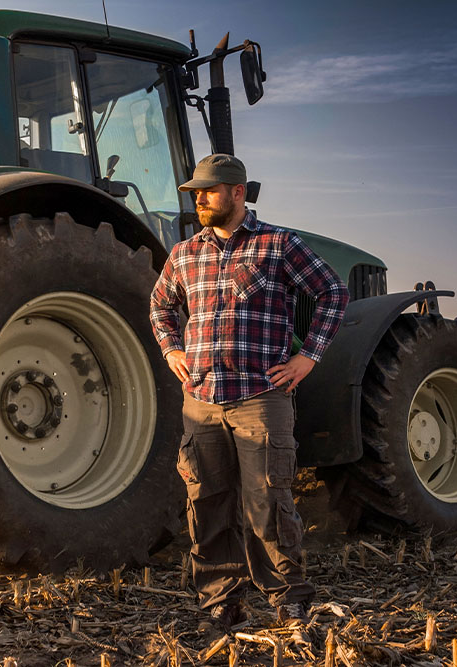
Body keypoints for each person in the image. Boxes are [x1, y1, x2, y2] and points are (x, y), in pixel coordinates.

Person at [149, 154, 349, 630]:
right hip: (201, 400)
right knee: (209, 501)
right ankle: (221, 600)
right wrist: (171, 350)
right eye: (195, 192)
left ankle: (287, 597)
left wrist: (308, 356)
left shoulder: (277, 244)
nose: (199, 198)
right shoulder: (183, 254)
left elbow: (333, 293)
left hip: (260, 396)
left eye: (209, 190)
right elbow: (160, 306)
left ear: (238, 193)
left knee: (268, 500)